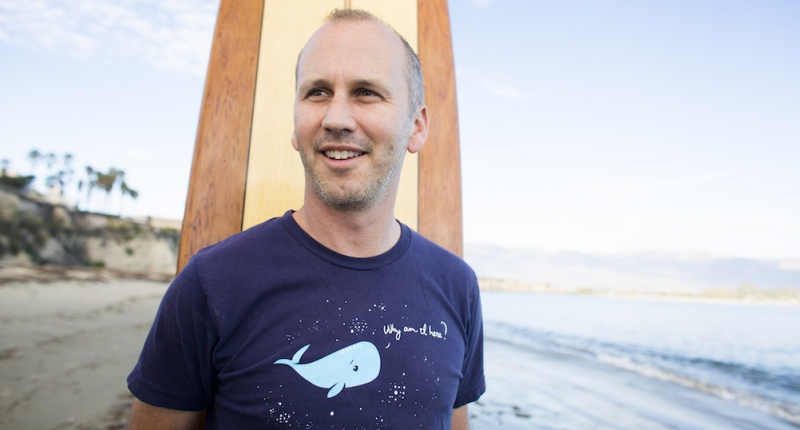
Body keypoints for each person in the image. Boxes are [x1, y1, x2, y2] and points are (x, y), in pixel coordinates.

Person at [127, 9, 484, 429]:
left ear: (417, 127)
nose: (335, 118)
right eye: (317, 92)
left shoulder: (457, 286)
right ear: (296, 126)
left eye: (366, 92)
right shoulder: (213, 283)